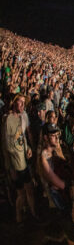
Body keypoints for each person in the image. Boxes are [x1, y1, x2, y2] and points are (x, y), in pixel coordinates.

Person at [39, 122, 74, 245]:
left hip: (66, 189)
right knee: (68, 222)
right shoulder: (43, 156)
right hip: (58, 194)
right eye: (53, 136)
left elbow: (65, 165)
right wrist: (70, 186)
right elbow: (52, 179)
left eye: (57, 135)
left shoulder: (57, 149)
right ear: (46, 137)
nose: (57, 138)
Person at [1, 93, 37, 223]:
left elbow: (23, 136)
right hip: (15, 163)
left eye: (24, 102)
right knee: (21, 194)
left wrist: (28, 148)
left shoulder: (22, 118)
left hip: (23, 160)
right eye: (19, 102)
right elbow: (6, 145)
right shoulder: (8, 119)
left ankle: (33, 215)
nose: (22, 105)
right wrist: (10, 167)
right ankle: (19, 218)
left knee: (30, 189)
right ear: (13, 103)